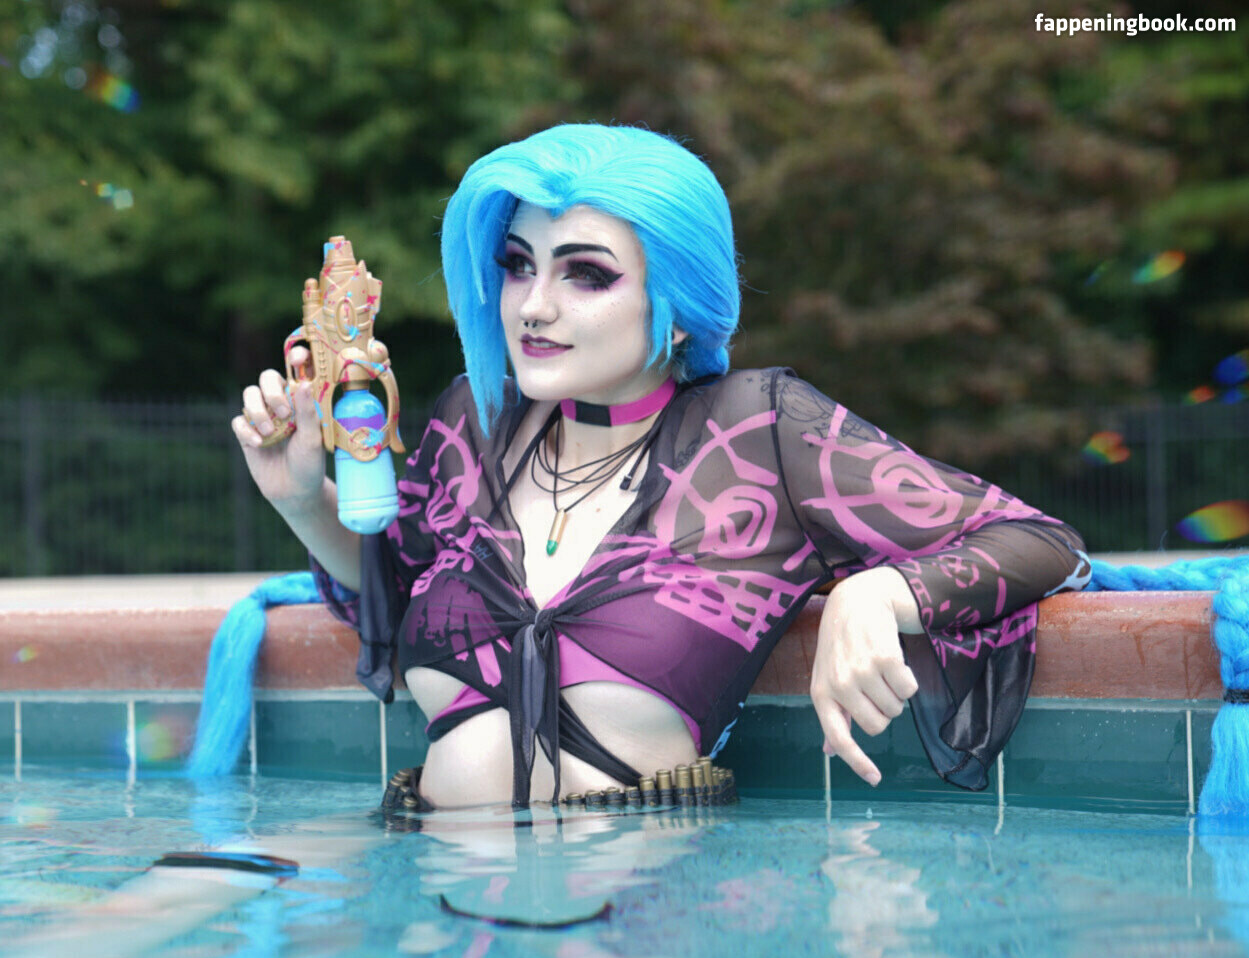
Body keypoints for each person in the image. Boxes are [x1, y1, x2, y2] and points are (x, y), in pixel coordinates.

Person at [232, 123, 1090, 810]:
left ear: (676, 306)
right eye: (518, 265)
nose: (533, 306)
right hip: (436, 902)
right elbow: (395, 584)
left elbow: (1041, 541)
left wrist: (878, 592)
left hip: (641, 931)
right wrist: (303, 499)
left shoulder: (756, 431)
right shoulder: (475, 422)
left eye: (586, 275)